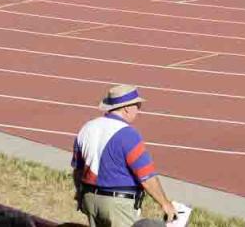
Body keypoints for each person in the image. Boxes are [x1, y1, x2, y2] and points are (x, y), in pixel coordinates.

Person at [72, 85, 178, 227]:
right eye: (137, 105)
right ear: (126, 108)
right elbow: (146, 176)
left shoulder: (87, 128)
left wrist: (80, 194)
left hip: (89, 198)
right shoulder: (128, 134)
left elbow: (78, 169)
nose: (139, 109)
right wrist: (165, 203)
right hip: (117, 204)